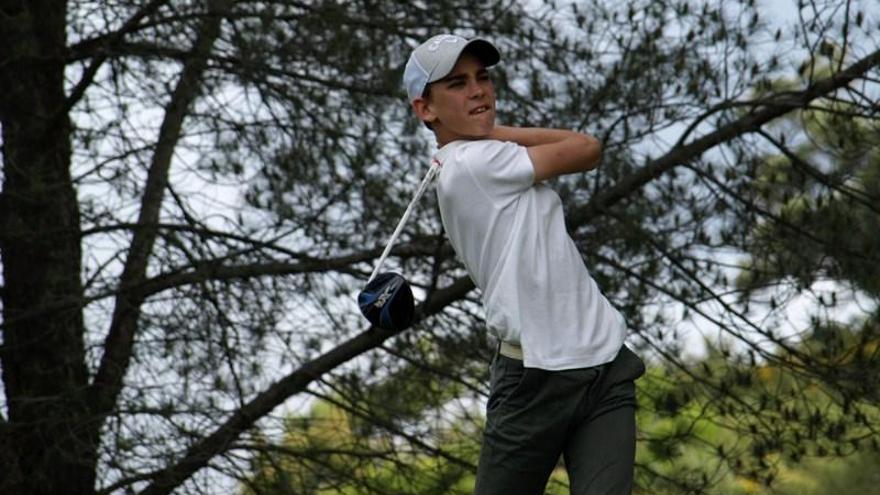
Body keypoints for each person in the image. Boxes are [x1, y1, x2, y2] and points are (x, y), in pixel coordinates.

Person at [403, 34, 646, 495]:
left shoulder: (479, 156)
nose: (478, 90)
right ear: (425, 110)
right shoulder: (473, 163)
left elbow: (583, 147)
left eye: (483, 77)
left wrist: (487, 129)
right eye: (457, 83)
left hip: (603, 364)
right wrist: (495, 131)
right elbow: (586, 148)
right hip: (535, 379)